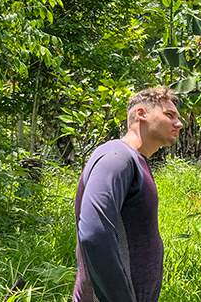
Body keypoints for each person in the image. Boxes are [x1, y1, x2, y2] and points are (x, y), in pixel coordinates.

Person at [74, 86, 184, 302]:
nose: (179, 123)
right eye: (169, 115)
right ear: (141, 114)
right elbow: (94, 232)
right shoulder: (117, 157)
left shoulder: (135, 160)